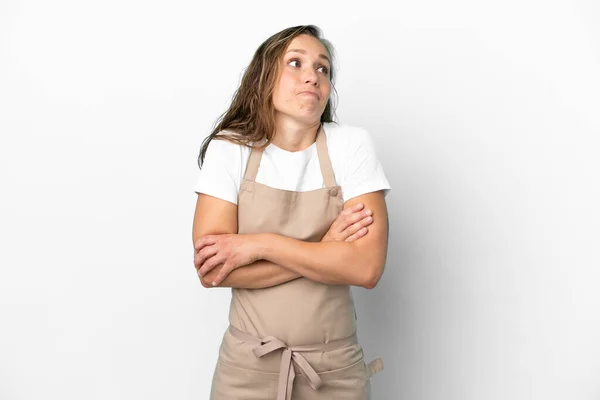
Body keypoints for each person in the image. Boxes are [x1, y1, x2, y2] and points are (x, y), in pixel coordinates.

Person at [192, 25, 391, 400]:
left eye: (323, 68)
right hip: (246, 370)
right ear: (264, 78)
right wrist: (326, 246)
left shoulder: (351, 146)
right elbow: (214, 270)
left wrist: (259, 245)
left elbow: (366, 269)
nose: (312, 76)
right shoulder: (229, 148)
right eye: (295, 63)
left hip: (335, 373)